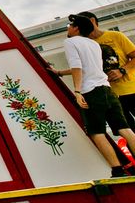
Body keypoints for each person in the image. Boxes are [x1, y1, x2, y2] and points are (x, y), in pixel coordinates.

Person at [56, 14, 135, 177]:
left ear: (76, 28)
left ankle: (117, 170)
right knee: (125, 129)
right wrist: (59, 73)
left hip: (90, 91)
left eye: (69, 26)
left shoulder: (70, 42)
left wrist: (77, 91)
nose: (68, 29)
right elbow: (90, 67)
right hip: (107, 89)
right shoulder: (93, 44)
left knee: (96, 132)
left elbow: (78, 67)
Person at [74, 11, 135, 129]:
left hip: (132, 89)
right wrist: (59, 72)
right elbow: (81, 68)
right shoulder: (85, 45)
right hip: (109, 96)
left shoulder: (116, 36)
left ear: (92, 21)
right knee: (128, 131)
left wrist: (122, 71)